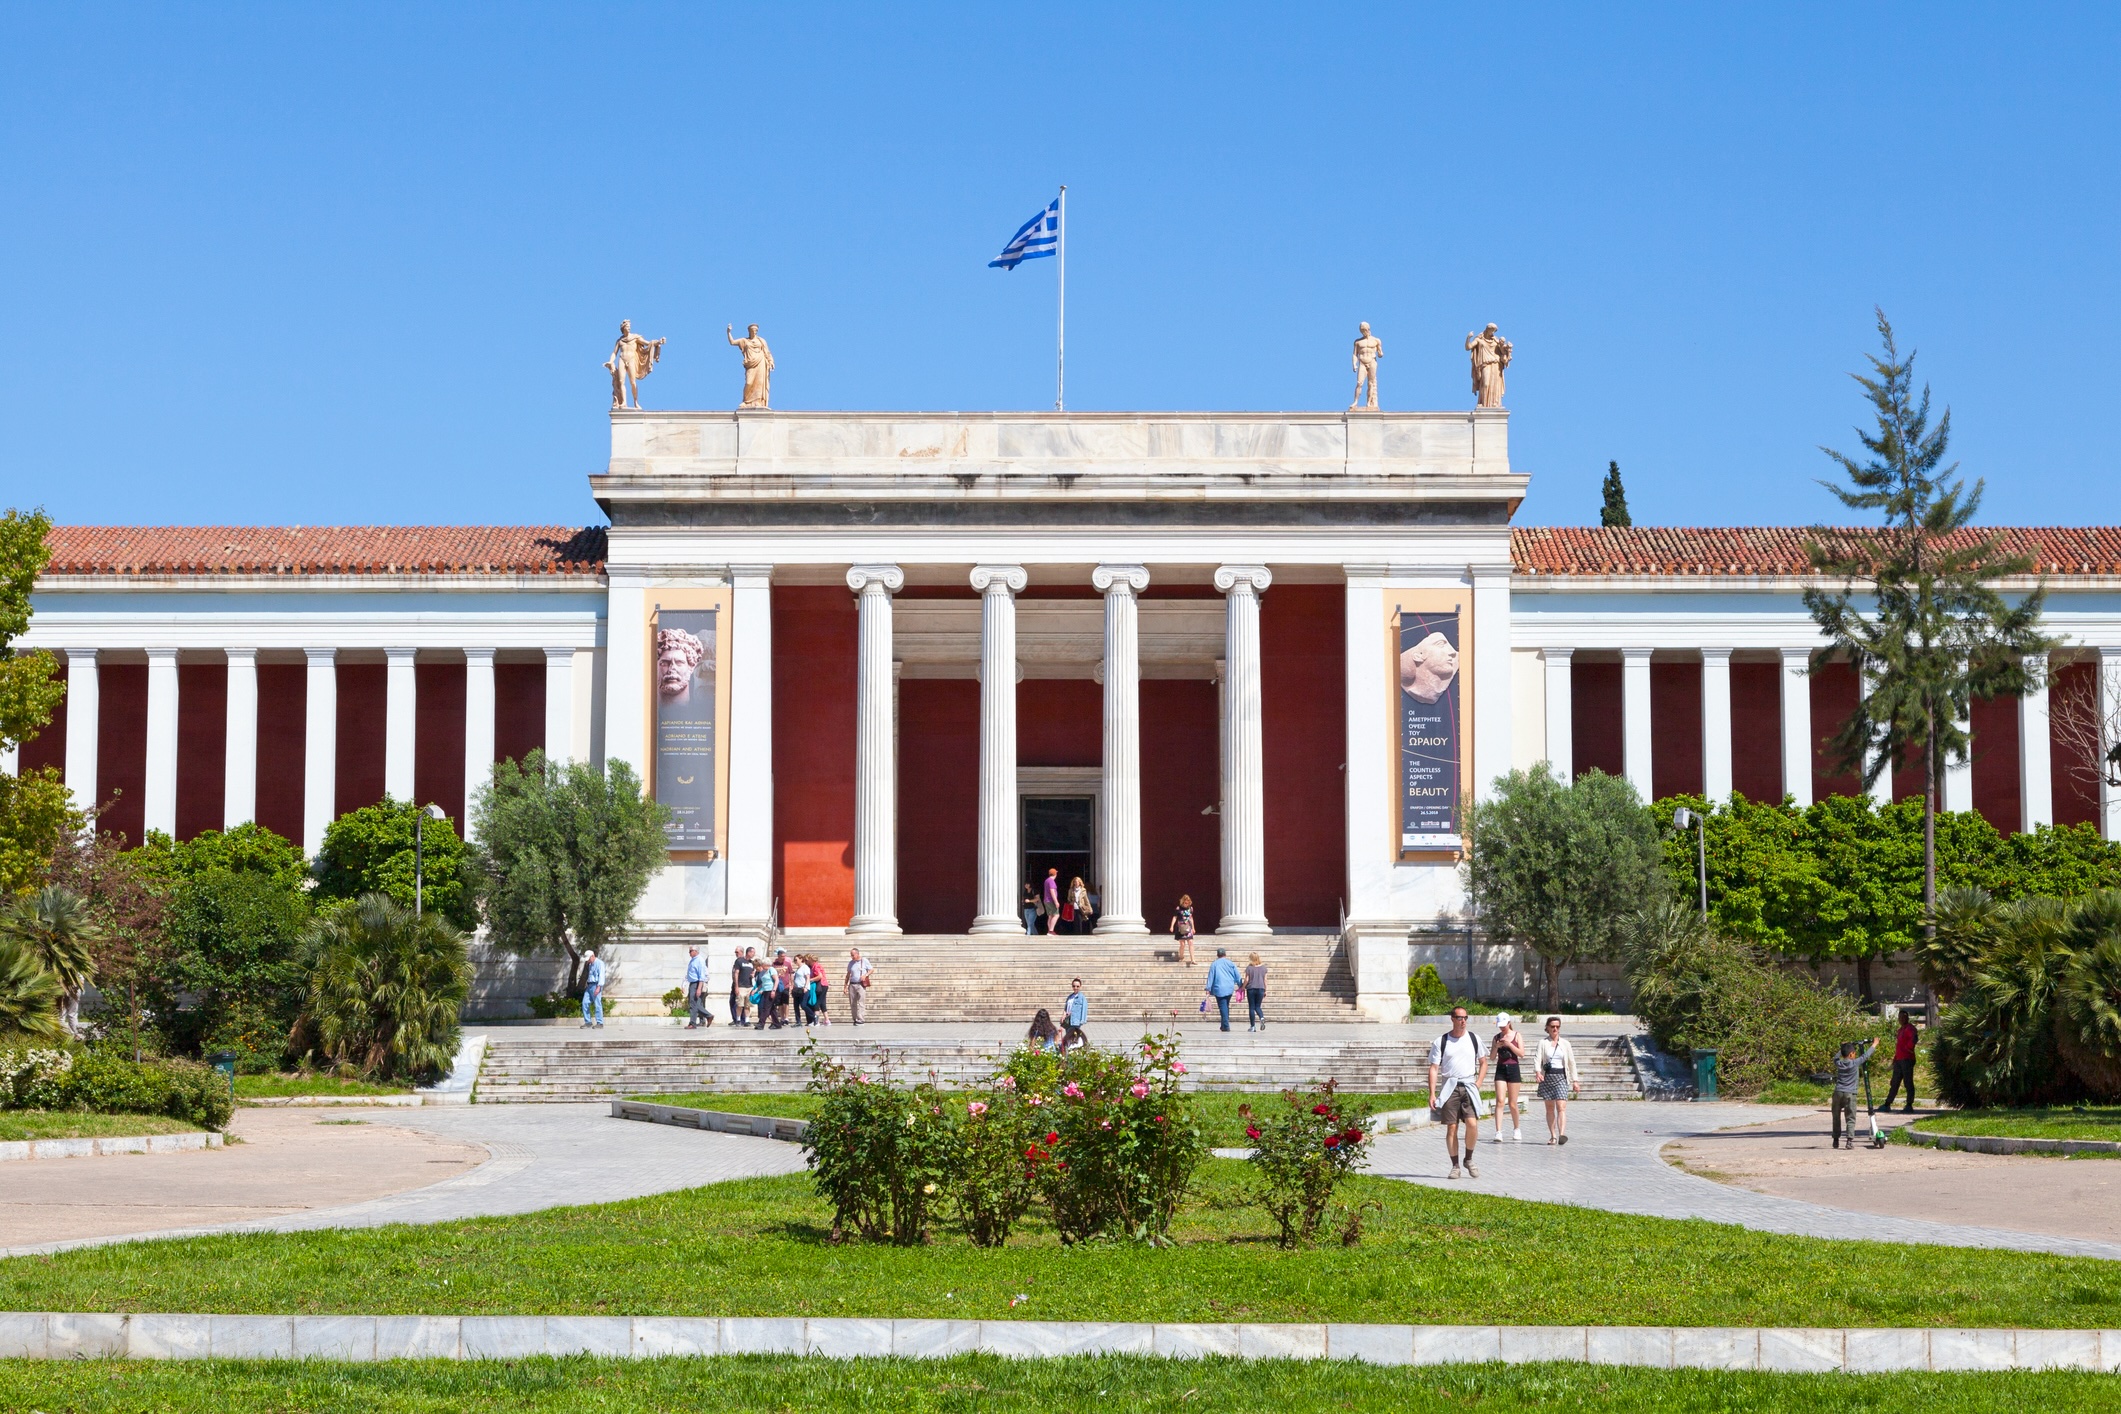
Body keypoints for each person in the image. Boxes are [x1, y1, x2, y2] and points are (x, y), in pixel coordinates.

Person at [1427, 1006, 1488, 1178]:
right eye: (1459, 1018)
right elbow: (1433, 1068)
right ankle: (1455, 1165)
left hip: (1469, 1085)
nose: (1463, 1021)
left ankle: (1468, 1158)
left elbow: (1484, 1062)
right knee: (1452, 1128)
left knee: (1472, 1124)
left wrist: (1478, 1083)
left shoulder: (1474, 1039)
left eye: (1465, 1018)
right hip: (1450, 1087)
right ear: (1452, 1019)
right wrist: (1432, 1093)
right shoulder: (1442, 1041)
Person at [1535, 1015, 1580, 1144]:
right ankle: (1553, 1135)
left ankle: (1561, 1134)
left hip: (1561, 1076)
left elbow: (1571, 1063)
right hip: (1547, 1076)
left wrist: (1575, 1080)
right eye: (1552, 1026)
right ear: (1547, 1028)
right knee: (1549, 1108)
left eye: (1557, 1027)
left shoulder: (1565, 1044)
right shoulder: (1543, 1043)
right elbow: (1537, 1059)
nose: (1555, 1029)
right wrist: (1538, 1072)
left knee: (1561, 1106)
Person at [1832, 1036, 1879, 1151]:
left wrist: (1842, 1047)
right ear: (1852, 1054)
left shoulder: (1839, 1063)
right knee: (1850, 1117)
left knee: (1836, 1117)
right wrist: (1874, 1044)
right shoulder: (1855, 1063)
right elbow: (1866, 1055)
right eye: (1854, 1053)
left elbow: (1835, 1058)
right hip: (1850, 1094)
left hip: (1838, 1092)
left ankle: (1836, 1139)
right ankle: (1849, 1141)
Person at [1491, 1013, 1525, 1142]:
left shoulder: (1517, 1035)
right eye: (1500, 1026)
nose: (1502, 1029)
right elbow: (1492, 1057)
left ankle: (1517, 1128)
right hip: (1500, 1069)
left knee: (1512, 1103)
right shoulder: (1496, 1038)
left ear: (1509, 1023)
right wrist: (1496, 1046)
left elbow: (1521, 1053)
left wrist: (1510, 1045)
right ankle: (1498, 1131)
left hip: (1513, 1068)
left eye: (1504, 1026)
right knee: (1500, 1100)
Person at [1883, 1010, 1919, 1113]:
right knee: (1894, 1082)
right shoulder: (1900, 1030)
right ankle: (1887, 1103)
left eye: (1904, 1017)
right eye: (1900, 1017)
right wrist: (1895, 1059)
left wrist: (1908, 1049)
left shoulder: (1910, 1029)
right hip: (1899, 1059)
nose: (1902, 1019)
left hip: (1907, 1059)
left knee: (1908, 1082)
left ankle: (1909, 1104)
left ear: (1907, 1018)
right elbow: (1899, 1046)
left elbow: (1914, 1039)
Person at [1204, 948, 1242, 1032]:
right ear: (1225, 954)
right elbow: (1237, 975)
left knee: (1222, 1006)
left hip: (1219, 988)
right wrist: (1240, 985)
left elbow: (1211, 976)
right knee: (1225, 1006)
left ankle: (1226, 1025)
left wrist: (1208, 988)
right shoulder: (1231, 963)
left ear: (1217, 955)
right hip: (1229, 987)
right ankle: (1223, 1025)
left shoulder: (1214, 964)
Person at [684, 945, 713, 1029]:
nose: (689, 953)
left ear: (695, 951)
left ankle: (706, 1016)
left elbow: (701, 976)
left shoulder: (699, 961)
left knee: (693, 1004)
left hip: (696, 984)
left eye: (690, 951)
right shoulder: (693, 960)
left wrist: (699, 988)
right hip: (692, 983)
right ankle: (694, 1022)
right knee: (694, 1003)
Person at [845, 948, 873, 1025]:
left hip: (861, 984)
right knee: (852, 1003)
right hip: (852, 984)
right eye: (851, 955)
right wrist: (845, 986)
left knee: (861, 1002)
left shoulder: (864, 961)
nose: (852, 957)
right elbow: (848, 975)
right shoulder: (851, 963)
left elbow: (871, 969)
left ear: (857, 954)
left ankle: (860, 1019)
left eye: (853, 955)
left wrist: (865, 975)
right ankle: (855, 1018)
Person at [1061, 978, 1088, 1054]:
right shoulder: (1070, 997)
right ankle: (1067, 1051)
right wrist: (1063, 1016)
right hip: (1068, 1021)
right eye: (1074, 986)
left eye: (1077, 986)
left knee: (1074, 1037)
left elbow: (1084, 1009)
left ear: (1080, 986)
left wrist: (1082, 1020)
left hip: (1075, 1021)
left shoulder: (1082, 997)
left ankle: (1074, 1051)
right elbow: (1066, 1008)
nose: (1075, 988)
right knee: (1068, 1037)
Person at [580, 950, 606, 1029]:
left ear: (592, 956)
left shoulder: (600, 963)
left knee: (597, 1004)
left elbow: (601, 976)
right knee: (585, 1002)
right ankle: (588, 1022)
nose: (588, 960)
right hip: (590, 985)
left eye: (589, 958)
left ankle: (600, 1023)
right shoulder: (590, 964)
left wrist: (599, 987)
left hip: (596, 985)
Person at [730, 947, 755, 1027]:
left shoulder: (752, 963)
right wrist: (736, 986)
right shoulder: (739, 961)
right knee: (740, 1004)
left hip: (749, 986)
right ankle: (738, 1019)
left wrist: (753, 975)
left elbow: (754, 972)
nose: (753, 954)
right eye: (752, 952)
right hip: (741, 986)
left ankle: (747, 1020)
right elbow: (736, 973)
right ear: (748, 952)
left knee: (748, 1004)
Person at [1243, 952, 1269, 1032]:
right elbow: (1265, 980)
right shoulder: (1264, 968)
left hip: (1251, 989)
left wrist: (1243, 987)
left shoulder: (1249, 968)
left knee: (1251, 1007)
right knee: (1258, 1006)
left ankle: (1253, 1026)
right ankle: (1261, 1017)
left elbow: (1247, 979)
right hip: (1261, 988)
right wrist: (1266, 990)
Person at [1169, 894, 1197, 965]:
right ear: (1182, 902)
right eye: (1185, 902)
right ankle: (1181, 956)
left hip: (1188, 927)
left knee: (1190, 942)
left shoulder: (1190, 909)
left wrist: (1193, 928)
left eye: (1187, 903)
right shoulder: (1178, 908)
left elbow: (1191, 918)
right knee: (1182, 944)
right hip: (1180, 927)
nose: (1186, 904)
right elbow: (1175, 917)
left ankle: (1193, 959)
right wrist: (1172, 926)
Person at [810, 954, 831, 1026]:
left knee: (817, 1003)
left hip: (821, 985)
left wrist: (811, 979)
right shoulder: (817, 965)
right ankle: (827, 1020)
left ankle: (816, 1021)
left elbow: (820, 976)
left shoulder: (816, 966)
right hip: (824, 985)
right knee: (822, 1003)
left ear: (812, 960)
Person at [1042, 868, 1062, 936]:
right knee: (1056, 915)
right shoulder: (1051, 881)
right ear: (1055, 874)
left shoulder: (1046, 880)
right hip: (1051, 901)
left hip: (1046, 900)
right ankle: (1051, 931)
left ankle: (1049, 930)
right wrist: (1056, 901)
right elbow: (1052, 891)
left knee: (1050, 916)